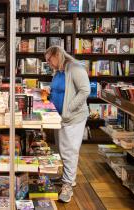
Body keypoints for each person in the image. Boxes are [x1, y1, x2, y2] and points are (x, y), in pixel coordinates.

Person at [44, 46, 90, 203]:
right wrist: (47, 92)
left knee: (69, 151)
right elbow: (58, 89)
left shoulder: (75, 68)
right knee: (62, 149)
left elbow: (85, 91)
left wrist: (69, 109)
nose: (48, 63)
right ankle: (67, 177)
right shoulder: (59, 70)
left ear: (58, 55)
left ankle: (68, 186)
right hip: (60, 117)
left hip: (72, 117)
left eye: (50, 60)